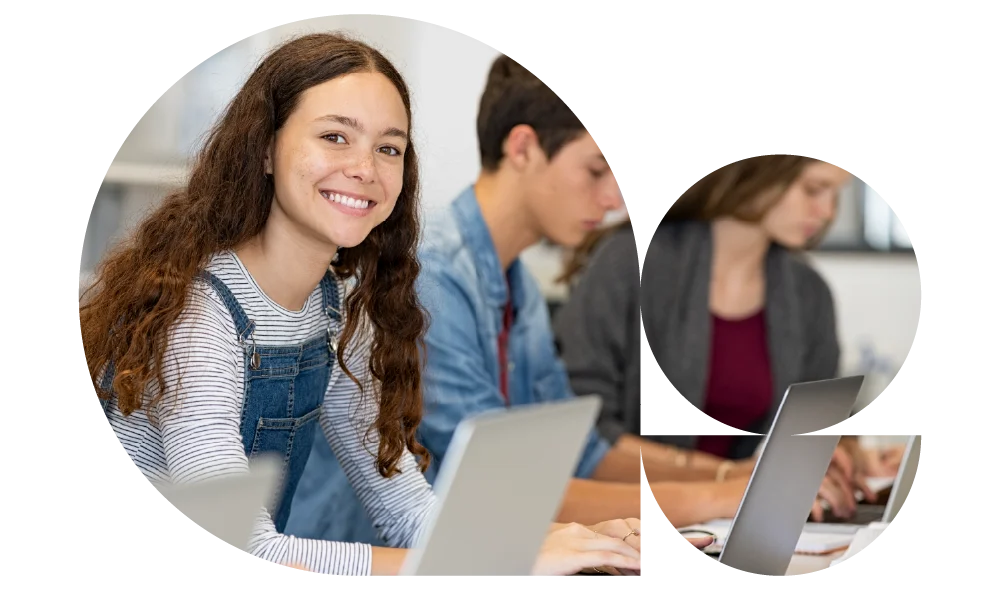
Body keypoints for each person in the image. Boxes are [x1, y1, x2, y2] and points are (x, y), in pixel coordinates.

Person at [79, 33, 647, 576]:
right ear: (265, 148)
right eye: (335, 137)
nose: (365, 168)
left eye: (388, 148)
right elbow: (242, 545)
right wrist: (495, 562)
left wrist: (569, 541)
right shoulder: (200, 315)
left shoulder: (338, 308)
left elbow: (408, 512)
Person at [285, 54, 761, 546]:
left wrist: (729, 476)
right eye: (596, 170)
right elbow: (506, 484)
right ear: (523, 148)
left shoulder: (518, 283)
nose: (613, 200)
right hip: (371, 554)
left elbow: (581, 453)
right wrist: (722, 496)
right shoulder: (429, 276)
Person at [552, 153, 902, 522]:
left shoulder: (806, 290)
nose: (827, 211)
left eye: (836, 194)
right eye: (814, 189)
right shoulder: (630, 262)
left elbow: (818, 417)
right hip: (627, 518)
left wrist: (852, 455)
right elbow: (584, 431)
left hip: (734, 518)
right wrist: (729, 478)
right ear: (757, 173)